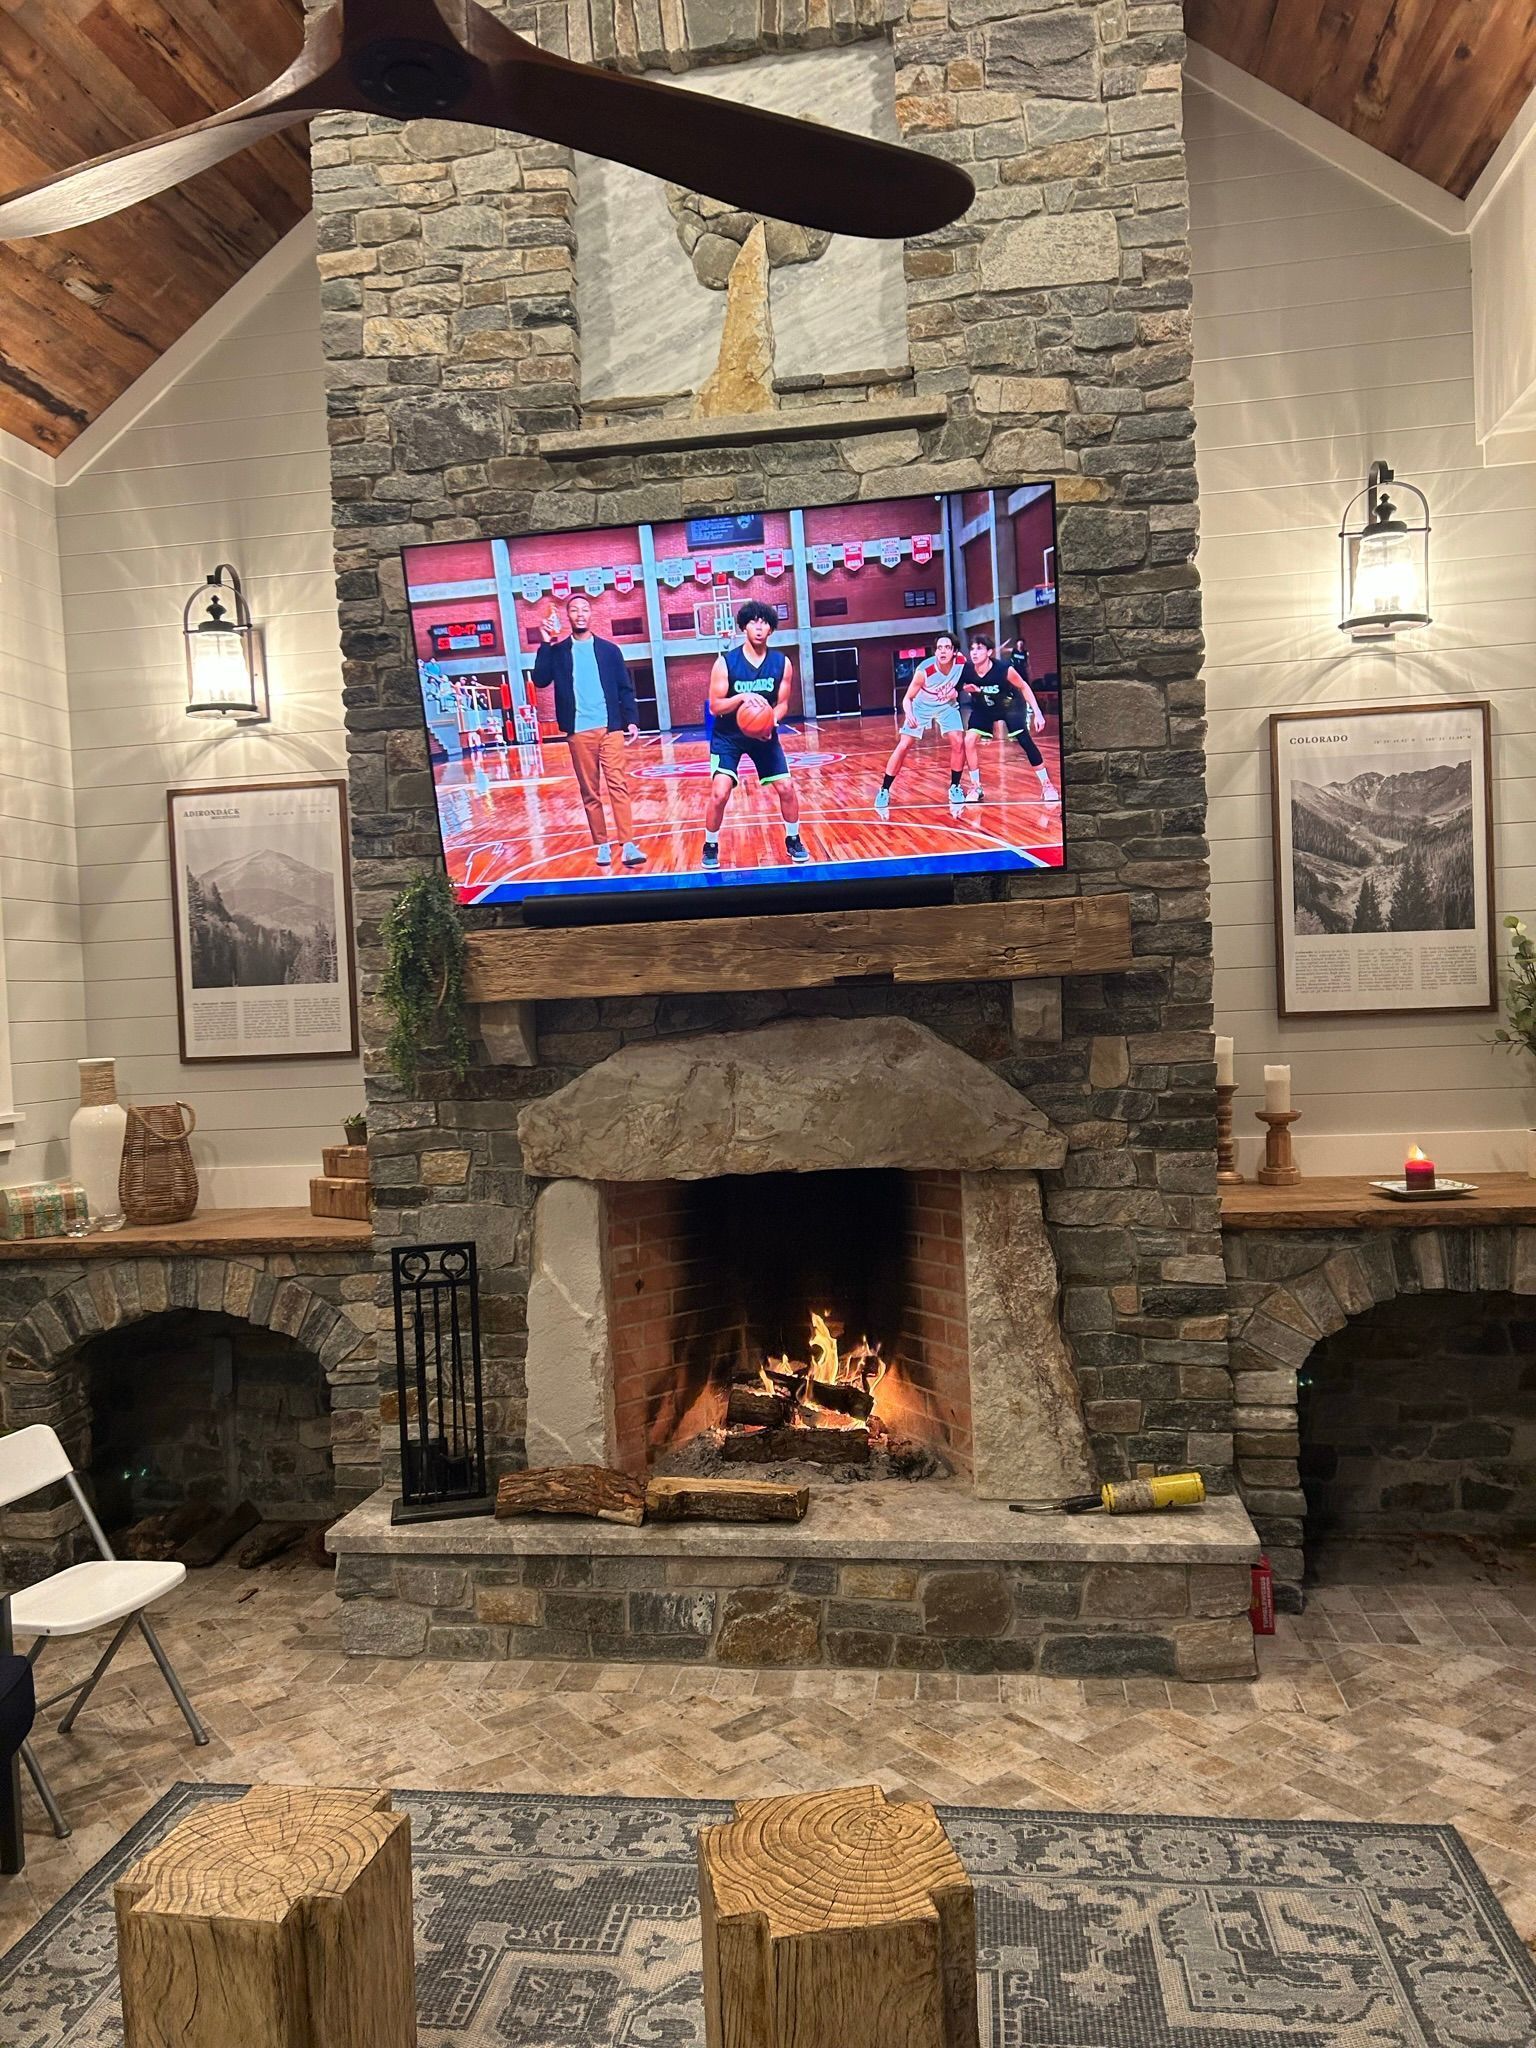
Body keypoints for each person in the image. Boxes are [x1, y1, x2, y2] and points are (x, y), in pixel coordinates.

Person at [532, 594, 647, 869]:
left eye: (585, 609)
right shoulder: (558, 652)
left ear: (591, 614)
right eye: (574, 610)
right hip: (579, 731)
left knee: (618, 785)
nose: (580, 614)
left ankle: (628, 844)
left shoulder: (609, 650)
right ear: (568, 616)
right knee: (590, 791)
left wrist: (631, 719)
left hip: (610, 728)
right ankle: (602, 846)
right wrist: (546, 642)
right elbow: (540, 679)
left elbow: (624, 688)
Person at [702, 599, 810, 871]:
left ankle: (793, 838)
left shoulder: (781, 663)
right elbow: (715, 706)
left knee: (786, 787)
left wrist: (770, 721)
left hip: (763, 733)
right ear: (743, 628)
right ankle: (710, 844)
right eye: (753, 622)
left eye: (764, 623)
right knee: (720, 792)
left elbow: (783, 703)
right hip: (729, 736)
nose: (759, 627)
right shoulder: (725, 663)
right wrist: (741, 698)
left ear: (771, 630)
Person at [959, 631, 1060, 808]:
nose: (974, 652)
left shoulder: (1004, 669)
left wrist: (1037, 712)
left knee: (1024, 740)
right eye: (972, 649)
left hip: (1010, 706)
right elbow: (956, 689)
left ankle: (1047, 785)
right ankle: (976, 787)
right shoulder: (967, 670)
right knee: (969, 740)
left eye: (979, 649)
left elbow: (1024, 687)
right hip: (985, 708)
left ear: (989, 652)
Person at [874, 631, 968, 817]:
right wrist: (909, 714)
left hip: (946, 705)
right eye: (939, 648)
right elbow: (907, 698)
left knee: (958, 741)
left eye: (947, 648)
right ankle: (884, 790)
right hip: (921, 706)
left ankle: (955, 787)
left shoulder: (961, 662)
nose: (942, 651)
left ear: (954, 651)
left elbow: (964, 682)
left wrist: (955, 693)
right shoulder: (924, 671)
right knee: (904, 745)